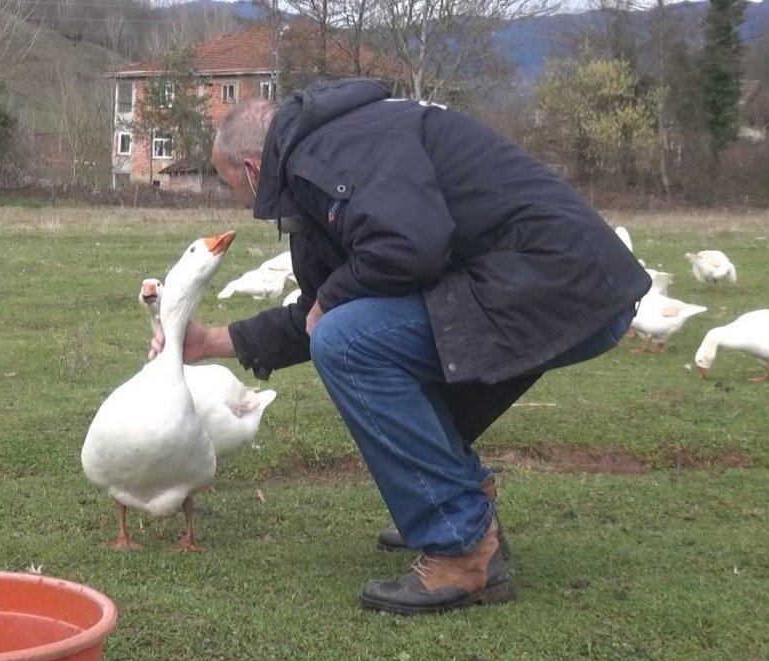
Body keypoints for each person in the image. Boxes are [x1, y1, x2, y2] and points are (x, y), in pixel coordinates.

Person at [150, 78, 651, 614]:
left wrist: (329, 305)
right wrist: (213, 341)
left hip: (560, 287)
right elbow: (324, 305)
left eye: (231, 188)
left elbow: (406, 248)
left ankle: (461, 545)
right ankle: (461, 506)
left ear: (251, 169)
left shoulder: (327, 155)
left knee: (347, 343)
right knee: (352, 331)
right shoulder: (333, 151)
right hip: (562, 287)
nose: (241, 202)